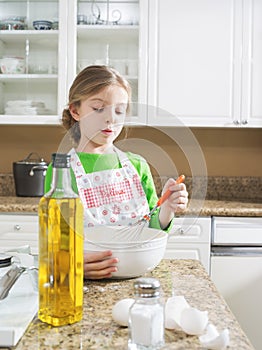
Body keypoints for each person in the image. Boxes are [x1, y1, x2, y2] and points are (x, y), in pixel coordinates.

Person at [45, 65, 188, 280]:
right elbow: (55, 239)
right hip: (86, 282)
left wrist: (167, 207)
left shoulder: (137, 165)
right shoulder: (62, 170)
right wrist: (70, 264)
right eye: (98, 108)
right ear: (75, 111)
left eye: (119, 110)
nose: (111, 118)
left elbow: (150, 227)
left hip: (136, 277)